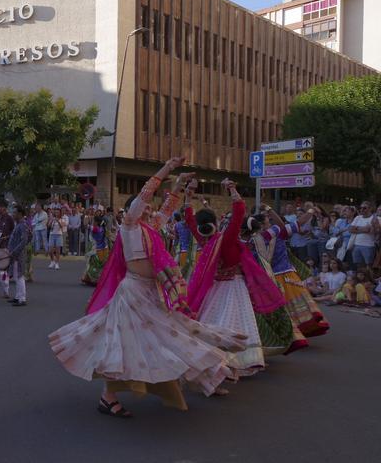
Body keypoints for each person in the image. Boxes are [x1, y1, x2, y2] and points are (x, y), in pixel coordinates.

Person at [49, 157, 246, 416]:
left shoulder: (148, 228)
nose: (149, 209)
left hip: (150, 293)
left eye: (149, 208)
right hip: (132, 295)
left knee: (170, 336)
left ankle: (208, 376)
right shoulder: (129, 226)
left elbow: (166, 209)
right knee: (125, 346)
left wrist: (178, 188)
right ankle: (109, 397)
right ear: (132, 210)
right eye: (144, 206)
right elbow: (146, 194)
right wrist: (168, 168)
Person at [185, 179, 288, 377]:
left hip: (215, 288)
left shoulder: (205, 240)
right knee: (232, 324)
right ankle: (231, 362)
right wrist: (232, 189)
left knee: (214, 323)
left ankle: (216, 362)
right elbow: (239, 211)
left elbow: (190, 219)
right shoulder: (224, 238)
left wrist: (189, 195)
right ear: (215, 223)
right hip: (232, 287)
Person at [245, 207, 330, 341]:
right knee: (296, 306)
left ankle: (287, 333)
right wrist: (311, 211)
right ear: (261, 225)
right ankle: (297, 332)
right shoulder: (276, 233)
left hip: (268, 279)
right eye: (268, 221)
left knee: (281, 309)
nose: (271, 223)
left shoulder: (250, 242)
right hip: (286, 274)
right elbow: (296, 223)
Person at [7, 205, 31, 307]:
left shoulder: (22, 225)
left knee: (20, 276)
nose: (13, 214)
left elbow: (24, 240)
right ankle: (18, 296)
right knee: (17, 276)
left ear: (20, 214)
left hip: (18, 254)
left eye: (15, 213)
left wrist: (15, 251)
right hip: (15, 254)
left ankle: (22, 298)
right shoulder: (19, 224)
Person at [81, 215, 110, 285]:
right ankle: (99, 280)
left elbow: (85, 225)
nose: (93, 222)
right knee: (101, 266)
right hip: (104, 250)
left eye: (94, 221)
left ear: (96, 222)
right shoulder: (103, 229)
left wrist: (86, 217)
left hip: (96, 250)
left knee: (93, 265)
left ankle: (94, 280)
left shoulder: (96, 229)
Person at [349, 202, 378, 268]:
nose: (361, 209)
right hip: (356, 245)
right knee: (358, 266)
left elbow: (371, 231)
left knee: (368, 266)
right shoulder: (358, 218)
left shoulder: (374, 218)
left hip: (369, 245)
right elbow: (350, 229)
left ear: (370, 209)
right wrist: (364, 229)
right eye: (360, 208)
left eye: (364, 208)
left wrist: (356, 228)